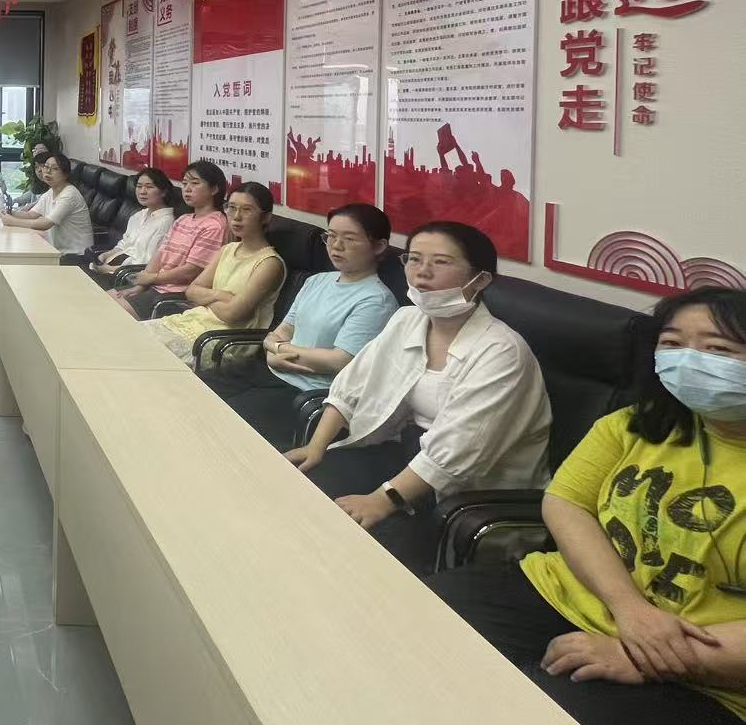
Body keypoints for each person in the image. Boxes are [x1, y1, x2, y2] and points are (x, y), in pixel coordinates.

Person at [428, 287, 746, 725]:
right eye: (673, 343)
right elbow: (566, 503)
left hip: (710, 673)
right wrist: (630, 609)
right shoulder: (637, 423)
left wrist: (649, 655)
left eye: (718, 348)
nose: (689, 360)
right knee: (409, 628)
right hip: (569, 592)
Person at [284, 221, 552, 569]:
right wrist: (316, 447)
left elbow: (458, 448)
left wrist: (381, 501)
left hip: (467, 496)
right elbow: (352, 385)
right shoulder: (407, 320)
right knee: (302, 488)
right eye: (413, 259)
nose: (422, 272)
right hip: (407, 454)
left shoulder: (501, 351)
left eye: (441, 262)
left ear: (481, 279)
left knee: (358, 550)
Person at [203, 203, 399, 445]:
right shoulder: (316, 281)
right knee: (198, 390)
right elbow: (279, 332)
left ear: (378, 246)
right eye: (331, 236)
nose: (336, 246)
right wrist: (273, 354)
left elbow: (339, 360)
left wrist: (279, 350)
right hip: (269, 371)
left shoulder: (376, 300)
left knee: (221, 424)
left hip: (307, 392)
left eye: (349, 239)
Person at [152, 181, 286, 360]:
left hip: (220, 342)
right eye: (231, 208)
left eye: (247, 210)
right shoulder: (227, 250)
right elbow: (191, 291)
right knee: (131, 337)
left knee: (146, 355)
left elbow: (232, 315)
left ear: (266, 217)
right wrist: (220, 295)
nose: (236, 216)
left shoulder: (269, 263)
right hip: (190, 322)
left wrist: (205, 299)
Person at [112, 159, 230, 319]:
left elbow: (191, 271)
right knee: (101, 300)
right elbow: (160, 254)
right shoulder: (183, 219)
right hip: (155, 287)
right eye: (185, 183)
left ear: (214, 189)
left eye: (195, 183)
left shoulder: (215, 225)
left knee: (110, 313)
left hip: (175, 297)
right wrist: (141, 285)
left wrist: (152, 278)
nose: (187, 189)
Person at [87, 166, 174, 286]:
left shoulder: (166, 222)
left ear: (163, 192)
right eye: (139, 186)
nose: (142, 191)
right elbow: (124, 244)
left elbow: (148, 262)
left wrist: (110, 269)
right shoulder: (138, 215)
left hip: (130, 275)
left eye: (149, 187)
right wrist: (105, 255)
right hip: (113, 264)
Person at [1, 152, 94, 259]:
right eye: (46, 167)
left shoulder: (69, 195)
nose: (47, 171)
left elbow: (46, 224)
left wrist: (13, 221)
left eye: (54, 168)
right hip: (57, 250)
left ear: (65, 174)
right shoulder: (51, 191)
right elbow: (32, 214)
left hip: (77, 255)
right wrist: (10, 212)